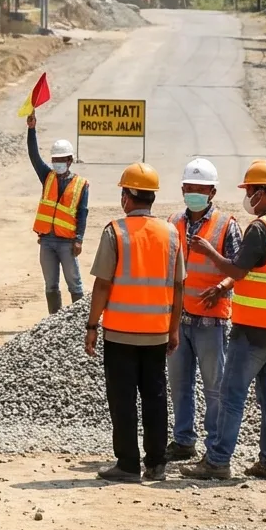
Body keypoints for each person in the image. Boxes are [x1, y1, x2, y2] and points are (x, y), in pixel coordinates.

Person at [181, 160, 266, 481]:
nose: (248, 197)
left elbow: (237, 270)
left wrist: (209, 252)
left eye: (250, 191)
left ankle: (218, 461)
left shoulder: (260, 229)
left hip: (253, 329)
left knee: (231, 395)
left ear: (263, 193)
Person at [85, 163, 184, 483]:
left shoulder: (115, 231)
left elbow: (102, 284)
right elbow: (179, 285)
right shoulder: (171, 233)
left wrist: (91, 325)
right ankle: (156, 464)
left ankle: (128, 465)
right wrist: (173, 329)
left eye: (123, 193)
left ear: (128, 197)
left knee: (123, 400)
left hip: (121, 334)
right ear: (152, 198)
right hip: (156, 334)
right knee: (155, 398)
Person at [164, 158, 242, 463]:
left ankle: (214, 448)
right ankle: (183, 441)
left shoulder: (226, 225)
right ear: (183, 189)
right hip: (178, 319)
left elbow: (238, 268)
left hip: (211, 321)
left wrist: (222, 287)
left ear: (212, 192)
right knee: (179, 385)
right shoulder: (172, 222)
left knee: (213, 389)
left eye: (202, 188)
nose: (195, 192)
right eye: (191, 187)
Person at [26, 112, 89, 313]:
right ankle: (55, 320)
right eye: (55, 159)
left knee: (74, 283)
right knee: (50, 284)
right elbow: (34, 156)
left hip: (67, 242)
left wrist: (79, 239)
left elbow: (82, 213)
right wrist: (31, 130)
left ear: (70, 160)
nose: (57, 163)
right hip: (47, 241)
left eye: (61, 159)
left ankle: (77, 321)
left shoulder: (81, 184)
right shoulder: (48, 177)